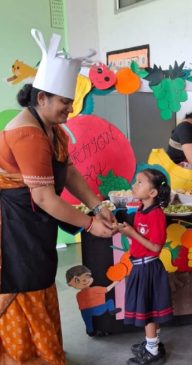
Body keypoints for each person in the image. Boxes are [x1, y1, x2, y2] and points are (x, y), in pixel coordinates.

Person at [0, 29, 115, 365]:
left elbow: (71, 173)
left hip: (31, 219)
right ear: (41, 99)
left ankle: (41, 351)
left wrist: (97, 205)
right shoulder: (27, 133)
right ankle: (22, 356)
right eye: (65, 101)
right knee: (23, 281)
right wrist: (91, 224)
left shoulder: (53, 130)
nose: (70, 107)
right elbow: (47, 198)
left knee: (39, 276)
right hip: (13, 222)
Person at [118, 168, 173, 365]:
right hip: (141, 267)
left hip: (149, 268)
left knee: (148, 310)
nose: (134, 185)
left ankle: (152, 351)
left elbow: (156, 247)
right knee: (150, 308)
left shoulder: (156, 215)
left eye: (139, 182)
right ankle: (153, 343)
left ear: (153, 193)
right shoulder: (142, 208)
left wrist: (132, 233)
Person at [66, 265, 121, 337]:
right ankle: (111, 310)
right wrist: (116, 282)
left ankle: (90, 331)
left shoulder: (78, 295)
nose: (84, 281)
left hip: (86, 312)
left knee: (87, 319)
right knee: (110, 301)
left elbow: (80, 306)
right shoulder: (95, 289)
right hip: (99, 309)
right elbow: (107, 289)